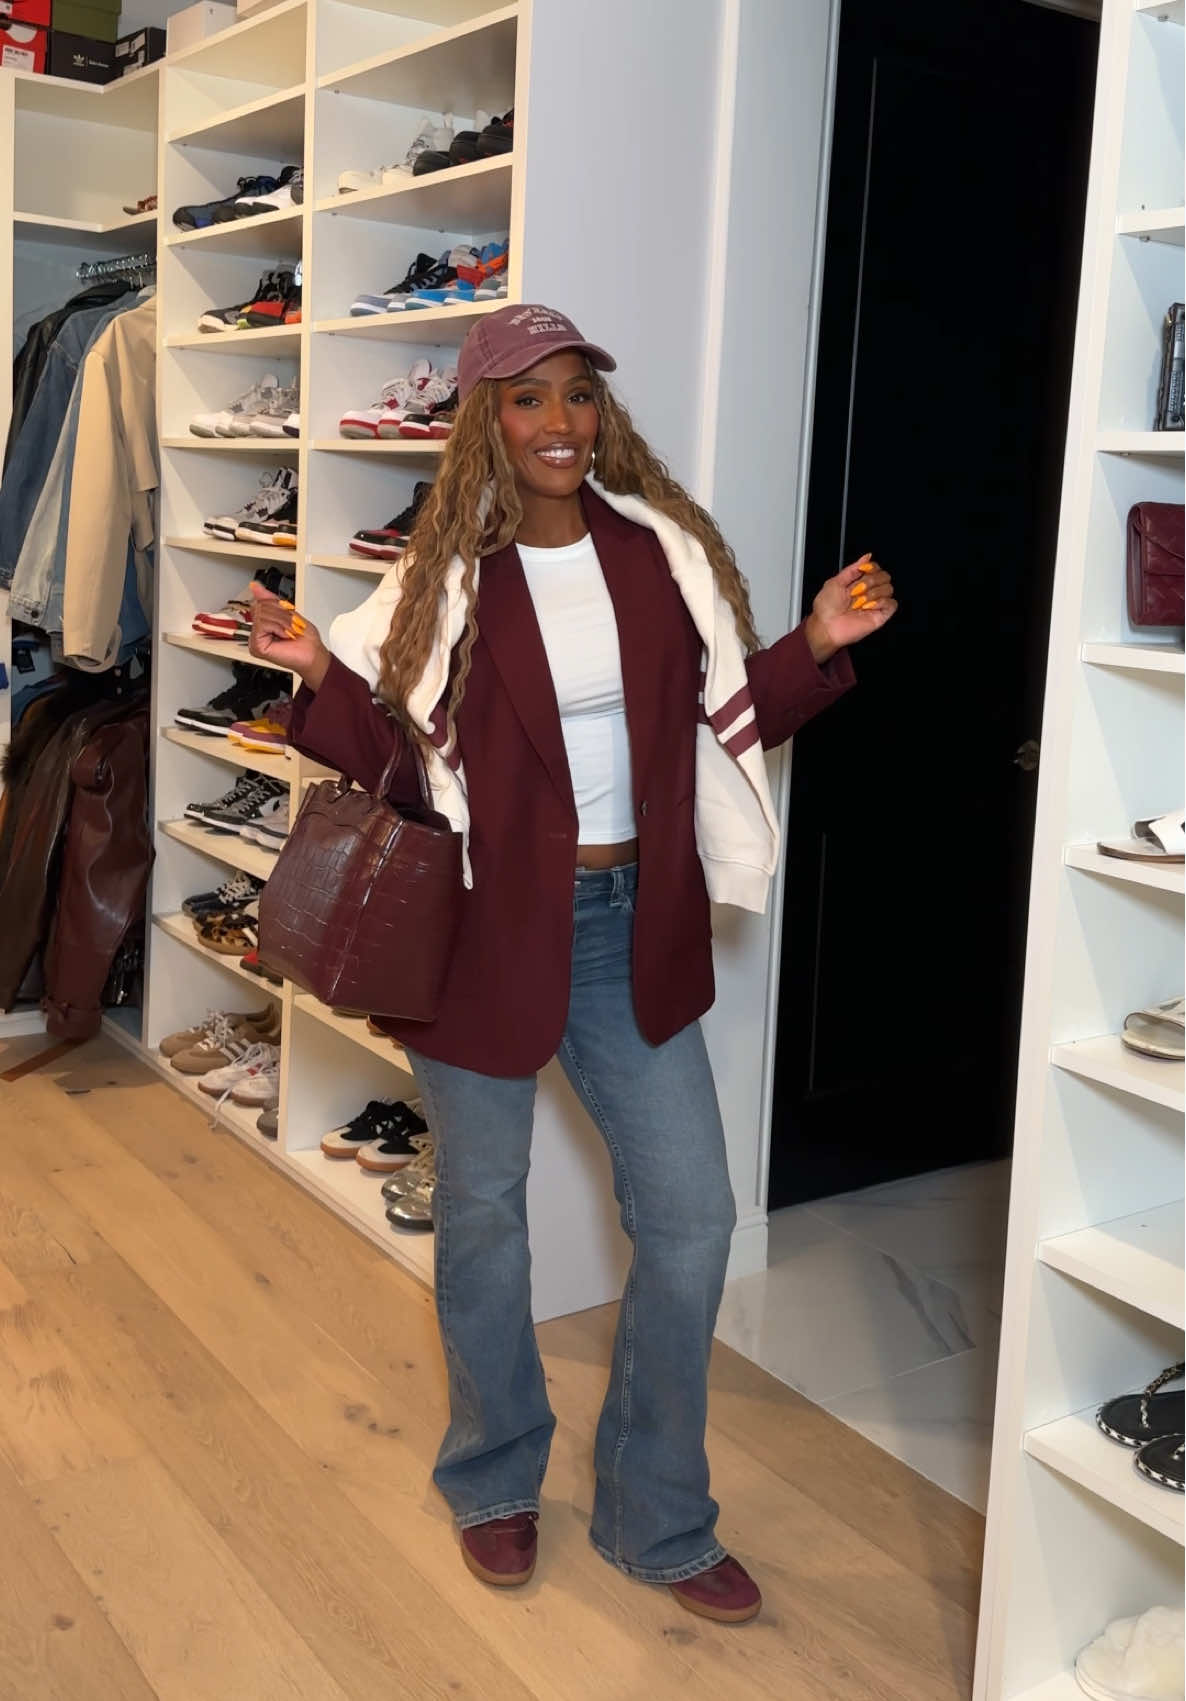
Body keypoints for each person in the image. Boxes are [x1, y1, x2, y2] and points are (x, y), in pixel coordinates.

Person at [250, 303, 896, 1625]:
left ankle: (656, 1511)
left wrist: (816, 645)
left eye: (577, 395)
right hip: (482, 934)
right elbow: (403, 770)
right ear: (485, 420)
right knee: (484, 1213)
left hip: (628, 928)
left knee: (693, 1219)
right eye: (529, 398)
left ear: (603, 413)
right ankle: (493, 1475)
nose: (559, 422)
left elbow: (719, 724)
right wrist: (318, 669)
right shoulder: (443, 578)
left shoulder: (657, 551)